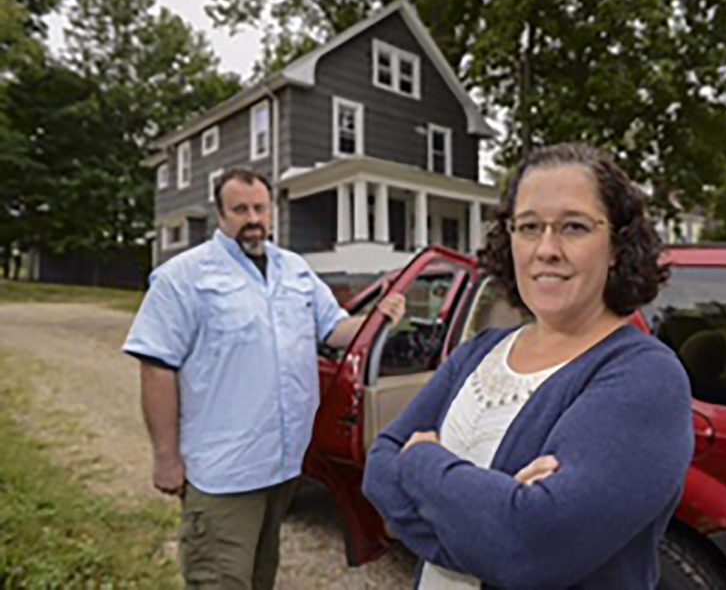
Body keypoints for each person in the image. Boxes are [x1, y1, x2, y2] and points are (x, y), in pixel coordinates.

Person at [363, 143, 694, 589]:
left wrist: (421, 461)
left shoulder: (644, 376)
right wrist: (492, 517)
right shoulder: (479, 352)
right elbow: (379, 467)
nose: (546, 249)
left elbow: (528, 547)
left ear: (616, 245)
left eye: (574, 227)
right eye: (529, 226)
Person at [122, 168, 405, 589]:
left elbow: (334, 329)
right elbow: (157, 365)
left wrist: (379, 318)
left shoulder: (295, 270)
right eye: (240, 209)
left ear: (272, 212)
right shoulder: (184, 277)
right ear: (220, 214)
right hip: (222, 475)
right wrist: (166, 456)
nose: (252, 218)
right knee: (219, 579)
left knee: (260, 578)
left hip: (282, 468)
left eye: (259, 208)